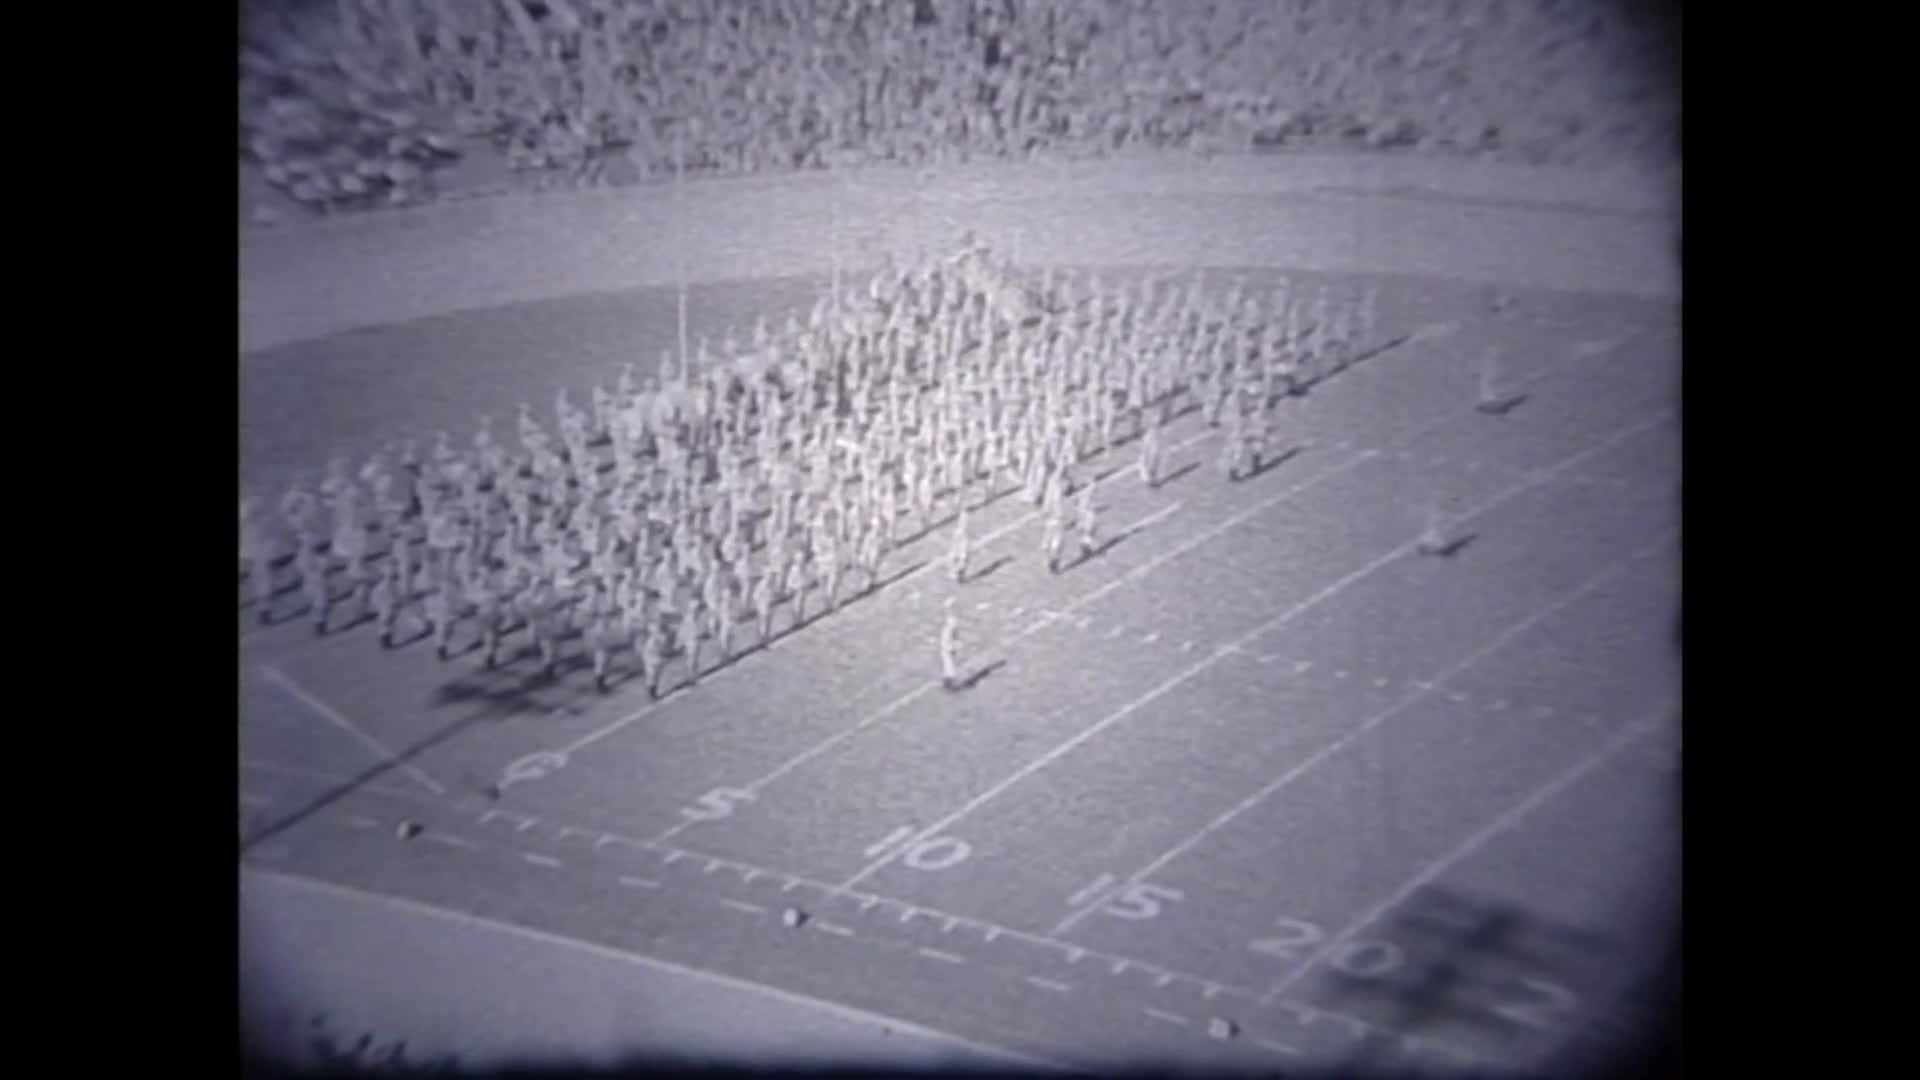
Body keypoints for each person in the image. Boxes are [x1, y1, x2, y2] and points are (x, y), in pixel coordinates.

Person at [938, 599, 962, 691]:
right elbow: (948, 642)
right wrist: (953, 648)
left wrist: (948, 606)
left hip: (946, 649)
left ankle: (946, 682)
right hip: (947, 649)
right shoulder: (948, 631)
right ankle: (950, 685)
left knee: (947, 666)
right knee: (950, 667)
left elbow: (949, 615)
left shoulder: (948, 629)